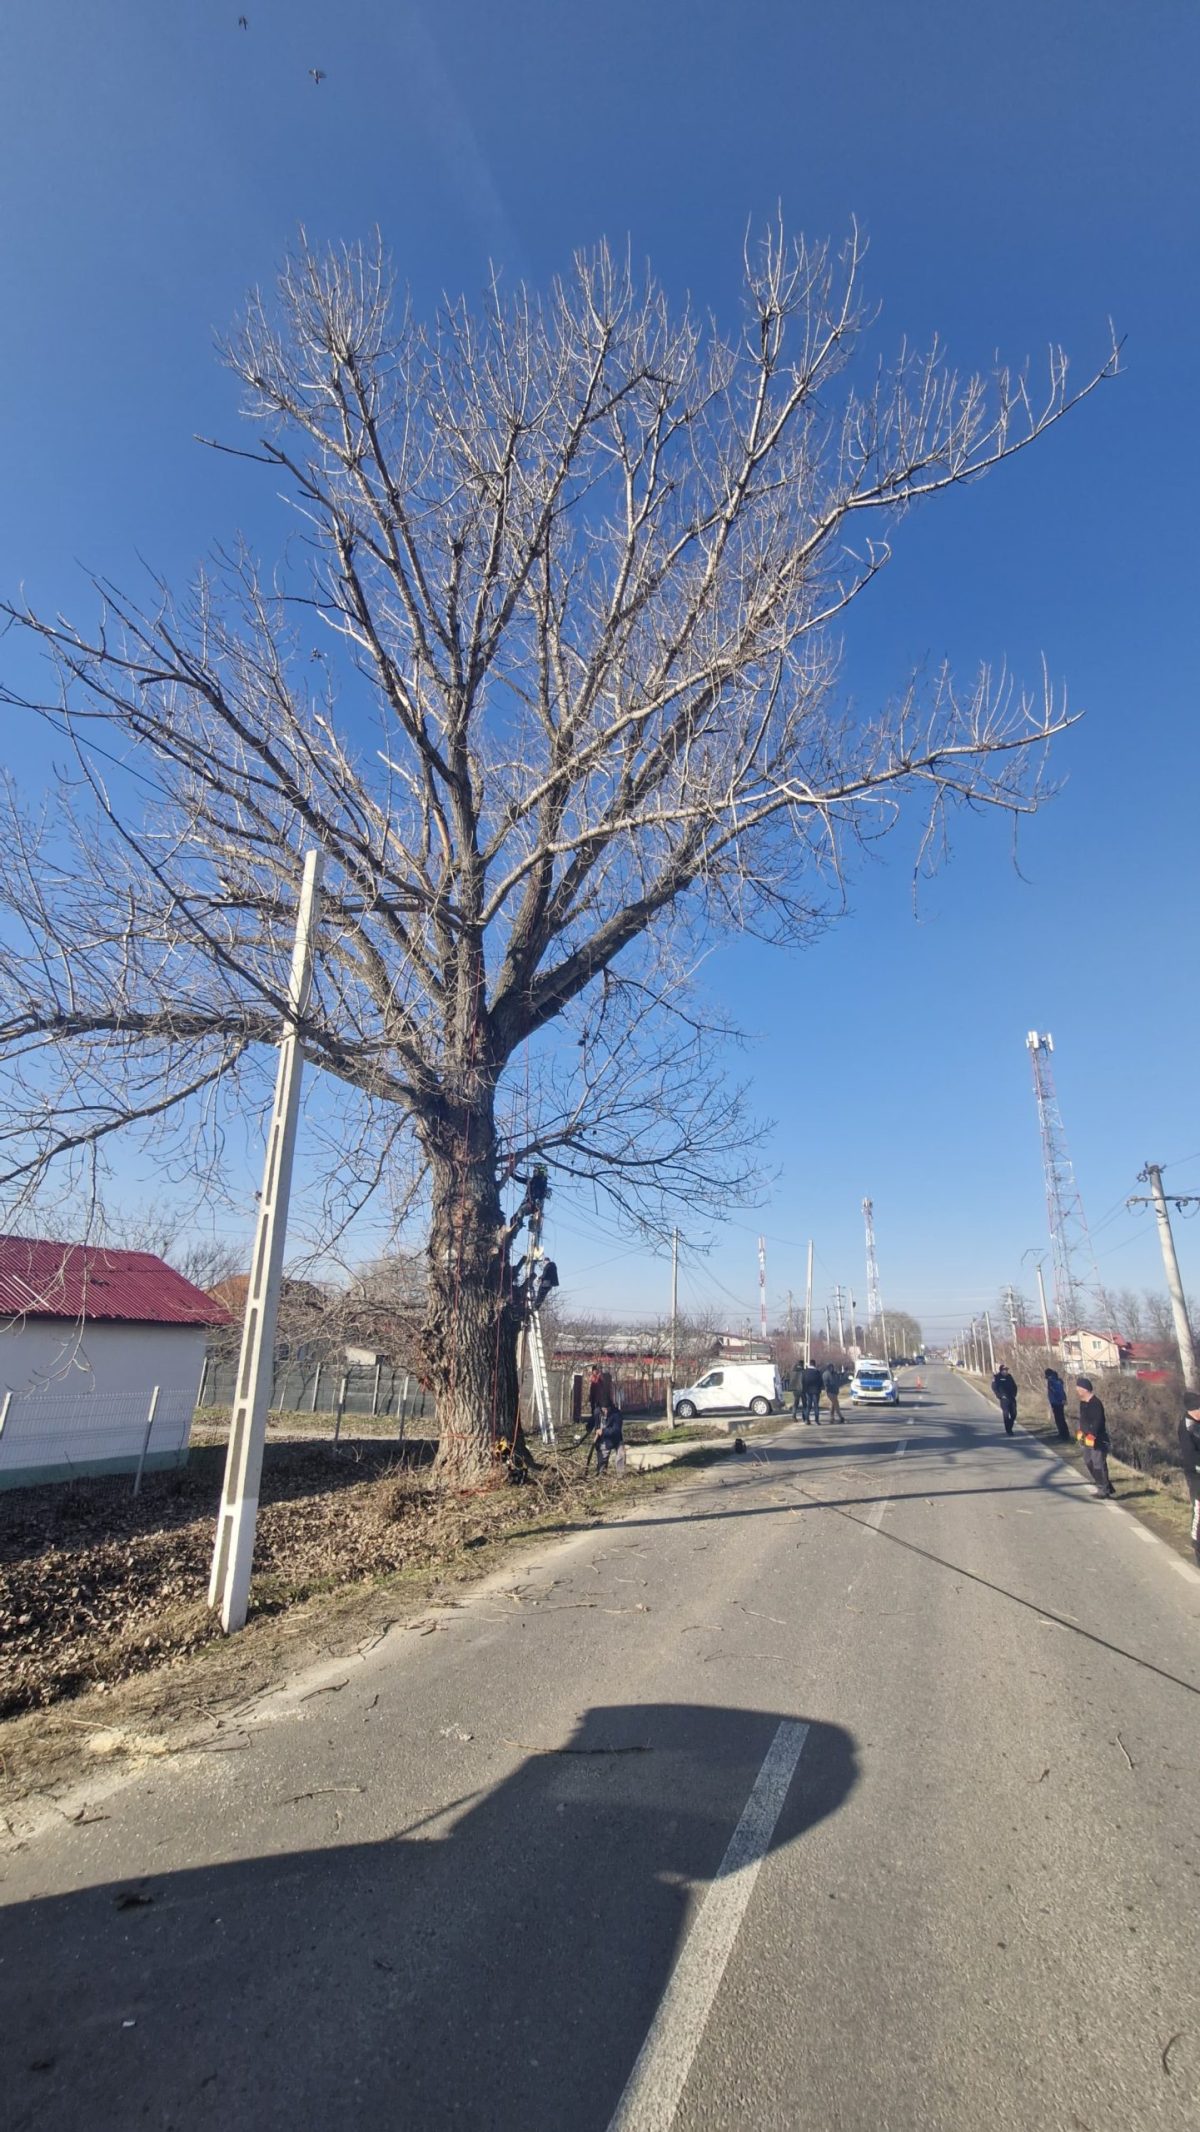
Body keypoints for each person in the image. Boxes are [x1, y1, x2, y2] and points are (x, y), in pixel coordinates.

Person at [1074, 1376, 1115, 1497]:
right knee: (1088, 1461)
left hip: (1098, 1439)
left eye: (1078, 1388)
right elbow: (1083, 1420)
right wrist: (1080, 1432)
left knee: (1098, 1463)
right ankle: (1105, 1485)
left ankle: (1103, 1490)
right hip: (1086, 1438)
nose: (1077, 1391)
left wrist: (1093, 1434)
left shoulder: (1096, 1403)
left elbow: (1098, 1421)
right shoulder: (1083, 1403)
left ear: (1085, 1389)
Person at [1179, 1393, 1200, 1564]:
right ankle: (1197, 1545)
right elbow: (1190, 1455)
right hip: (1196, 1475)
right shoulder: (1187, 1427)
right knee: (1199, 1510)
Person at [1044, 1365, 1070, 1442]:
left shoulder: (1052, 1381)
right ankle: (1063, 1434)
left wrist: (1061, 1399)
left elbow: (1056, 1392)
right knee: (1060, 1419)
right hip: (1058, 1402)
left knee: (1059, 1419)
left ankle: (1063, 1435)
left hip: (1056, 1402)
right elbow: (1062, 1391)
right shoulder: (1057, 1380)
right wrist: (1064, 1399)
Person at [991, 1364, 1018, 1434]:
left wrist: (1014, 1394)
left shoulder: (1009, 1377)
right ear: (1001, 1370)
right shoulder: (997, 1377)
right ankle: (1008, 1430)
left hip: (1011, 1398)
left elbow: (1015, 1386)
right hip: (1004, 1399)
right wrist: (999, 1396)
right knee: (1006, 1414)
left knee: (1014, 1414)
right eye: (1004, 1370)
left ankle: (1009, 1426)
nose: (1006, 1371)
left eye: (1006, 1370)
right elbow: (994, 1388)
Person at [801, 1360, 824, 1424]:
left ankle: (807, 1419)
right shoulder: (817, 1372)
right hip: (816, 1391)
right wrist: (820, 1388)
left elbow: (802, 1381)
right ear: (814, 1364)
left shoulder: (805, 1372)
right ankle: (816, 1420)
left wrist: (804, 1389)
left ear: (809, 1364)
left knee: (809, 1405)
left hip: (808, 1391)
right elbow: (820, 1382)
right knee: (816, 1406)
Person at [789, 1357, 806, 1422]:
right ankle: (804, 1417)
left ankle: (793, 1416)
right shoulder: (803, 1371)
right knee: (804, 1403)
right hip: (802, 1389)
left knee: (796, 1403)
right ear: (802, 1364)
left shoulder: (793, 1370)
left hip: (795, 1389)